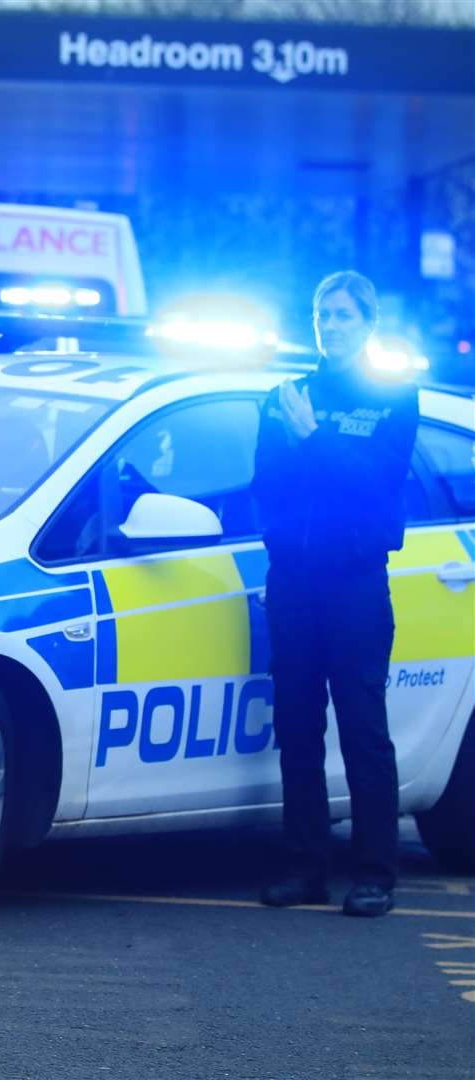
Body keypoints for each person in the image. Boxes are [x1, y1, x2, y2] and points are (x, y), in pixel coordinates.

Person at [253, 270, 419, 919]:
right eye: (324, 314)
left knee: (362, 729)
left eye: (345, 315)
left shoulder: (394, 396)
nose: (332, 324)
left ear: (368, 323)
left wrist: (313, 438)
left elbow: (374, 484)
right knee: (297, 728)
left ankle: (375, 871)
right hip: (294, 580)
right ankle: (306, 865)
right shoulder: (285, 395)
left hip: (355, 583)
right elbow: (266, 483)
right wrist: (302, 446)